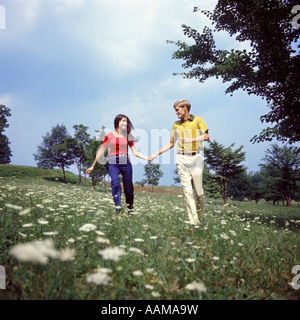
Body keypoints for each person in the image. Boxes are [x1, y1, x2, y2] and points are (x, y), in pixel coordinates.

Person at [149, 99, 209, 226]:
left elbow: (206, 136)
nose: (176, 113)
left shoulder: (197, 120)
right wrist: (156, 153)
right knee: (188, 192)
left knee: (199, 193)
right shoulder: (176, 124)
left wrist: (190, 140)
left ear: (185, 108)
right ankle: (194, 222)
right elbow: (171, 144)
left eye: (177, 110)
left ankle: (201, 217)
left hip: (196, 159)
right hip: (181, 159)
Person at [85, 114, 148, 214]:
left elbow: (135, 152)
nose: (125, 123)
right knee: (115, 183)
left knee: (128, 189)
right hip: (113, 163)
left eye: (126, 121)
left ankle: (130, 209)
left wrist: (147, 158)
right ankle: (118, 208)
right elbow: (101, 150)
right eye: (123, 121)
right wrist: (93, 165)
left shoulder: (128, 136)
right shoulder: (109, 135)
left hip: (126, 162)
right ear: (117, 123)